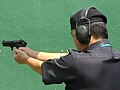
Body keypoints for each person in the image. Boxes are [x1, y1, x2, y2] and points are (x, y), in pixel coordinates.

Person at [13, 7, 120, 90]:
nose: (74, 39)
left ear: (82, 34)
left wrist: (26, 60)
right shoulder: (116, 57)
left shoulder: (77, 61)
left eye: (74, 35)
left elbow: (43, 68)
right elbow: (71, 58)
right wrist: (33, 53)